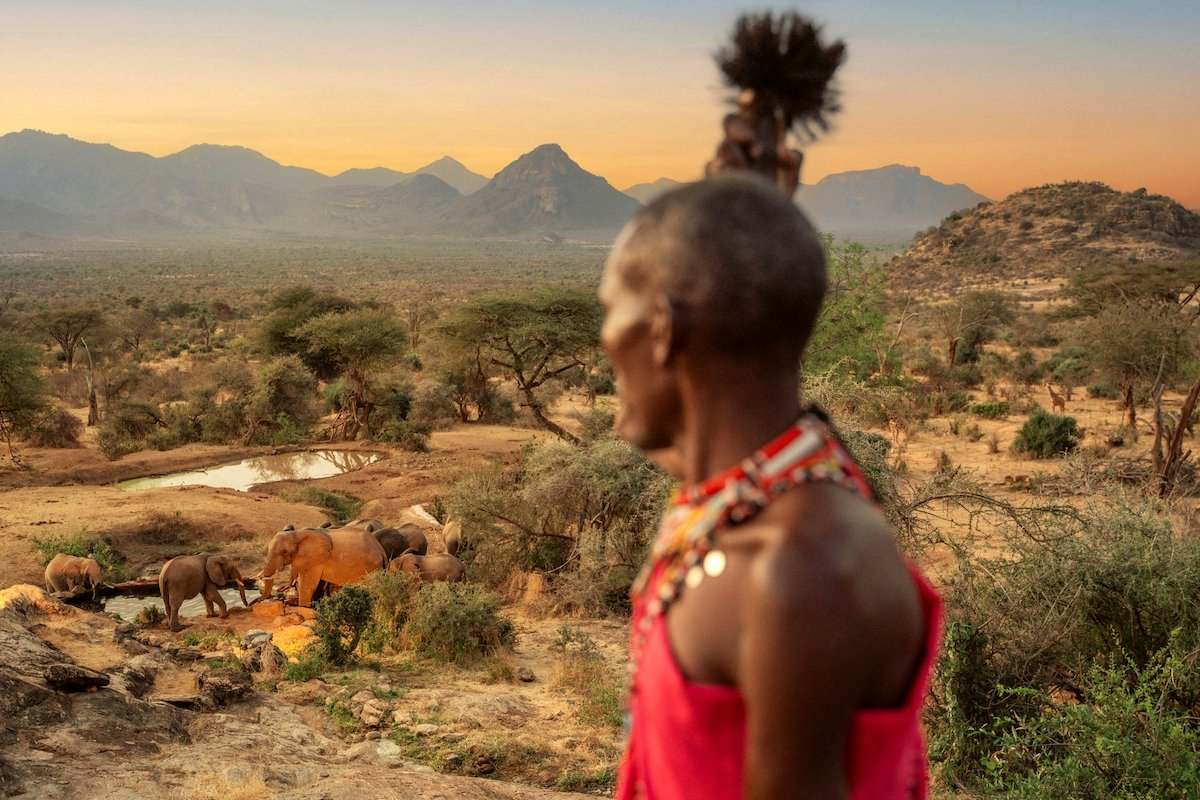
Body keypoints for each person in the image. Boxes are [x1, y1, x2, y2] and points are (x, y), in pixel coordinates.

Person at [601, 174, 943, 800]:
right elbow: (701, 440)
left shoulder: (794, 576)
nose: (602, 338)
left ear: (661, 330)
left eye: (608, 309)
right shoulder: (759, 495)